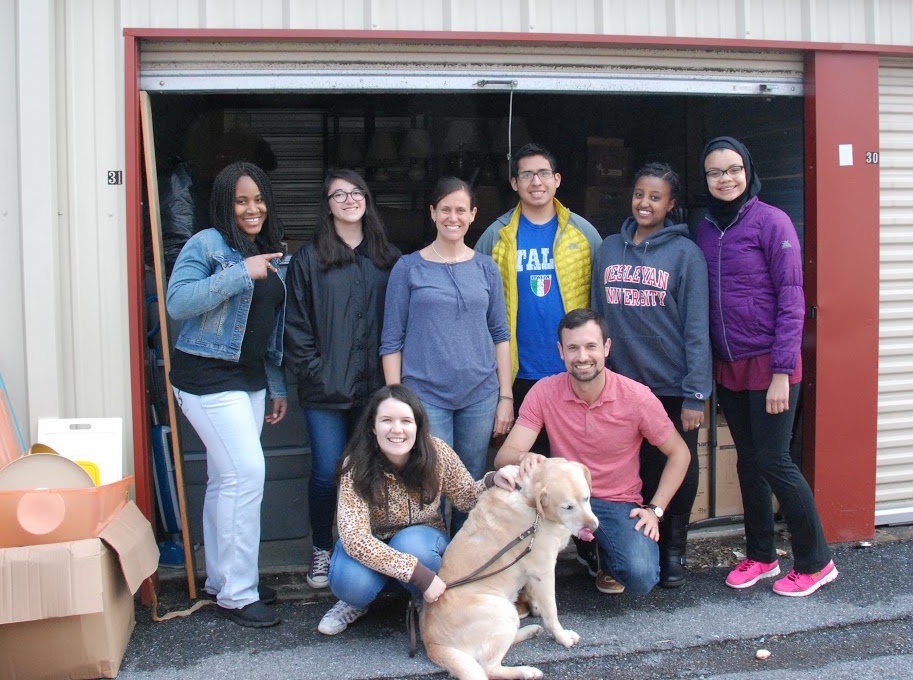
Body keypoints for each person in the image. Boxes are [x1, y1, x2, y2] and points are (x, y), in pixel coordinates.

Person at [696, 136, 838, 597]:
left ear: (747, 169)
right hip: (731, 365)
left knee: (776, 462)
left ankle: (816, 561)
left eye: (732, 169)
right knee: (749, 463)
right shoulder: (703, 228)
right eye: (715, 172)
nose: (725, 179)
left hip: (772, 366)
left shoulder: (771, 222)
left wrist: (781, 372)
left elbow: (792, 303)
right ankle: (761, 556)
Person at [166, 161, 288, 628]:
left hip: (249, 381)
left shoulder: (267, 249)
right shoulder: (207, 244)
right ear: (224, 203)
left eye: (258, 199)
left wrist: (276, 386)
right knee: (247, 473)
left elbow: (268, 330)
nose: (251, 208)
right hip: (205, 377)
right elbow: (178, 302)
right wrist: (242, 273)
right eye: (241, 200)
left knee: (225, 480)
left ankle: (225, 581)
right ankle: (239, 593)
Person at [494, 308, 691, 595]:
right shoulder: (544, 391)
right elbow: (503, 457)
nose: (582, 357)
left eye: (590, 347)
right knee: (507, 486)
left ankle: (600, 555)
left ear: (607, 348)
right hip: (562, 499)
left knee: (641, 576)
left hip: (615, 501)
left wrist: (655, 510)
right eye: (573, 348)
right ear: (561, 351)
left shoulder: (636, 397)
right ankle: (523, 582)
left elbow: (680, 453)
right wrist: (524, 458)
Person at [590, 162, 711, 588]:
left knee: (679, 466)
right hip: (621, 385)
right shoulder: (607, 249)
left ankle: (673, 549)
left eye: (656, 197)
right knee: (627, 471)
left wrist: (697, 393)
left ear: (671, 204)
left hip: (672, 386)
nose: (646, 203)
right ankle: (623, 550)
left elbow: (697, 327)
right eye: (640, 194)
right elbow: (596, 320)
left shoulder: (686, 255)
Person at [317, 384, 517, 636]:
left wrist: (491, 480)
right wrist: (420, 575)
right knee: (351, 582)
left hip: (421, 541)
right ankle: (357, 603)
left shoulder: (437, 453)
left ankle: (422, 598)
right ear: (372, 427)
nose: (397, 429)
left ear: (418, 426)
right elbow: (355, 539)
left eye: (405, 421)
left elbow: (466, 497)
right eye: (386, 420)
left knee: (412, 544)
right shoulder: (356, 465)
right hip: (374, 544)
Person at [284, 169, 400, 591]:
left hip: (374, 390)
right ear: (327, 204)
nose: (349, 200)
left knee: (369, 470)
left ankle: (363, 547)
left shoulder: (388, 258)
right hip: (325, 391)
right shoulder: (309, 259)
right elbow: (295, 326)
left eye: (356, 192)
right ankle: (322, 547)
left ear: (367, 199)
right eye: (339, 194)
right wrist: (315, 370)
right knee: (327, 471)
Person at [380, 177, 512, 534]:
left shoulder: (486, 268)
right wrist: (396, 401)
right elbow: (392, 339)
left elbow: (500, 334)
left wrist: (505, 396)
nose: (453, 217)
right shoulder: (408, 268)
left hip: (480, 395)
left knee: (470, 487)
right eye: (445, 210)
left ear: (472, 215)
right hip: (425, 396)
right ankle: (430, 570)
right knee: (428, 480)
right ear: (433, 213)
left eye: (460, 210)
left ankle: (464, 567)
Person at [475, 143, 601, 454]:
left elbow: (603, 299)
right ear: (514, 183)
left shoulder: (583, 233)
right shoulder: (496, 235)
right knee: (523, 467)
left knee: (572, 462)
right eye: (527, 175)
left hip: (572, 368)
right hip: (518, 371)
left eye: (543, 173)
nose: (536, 182)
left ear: (557, 179)